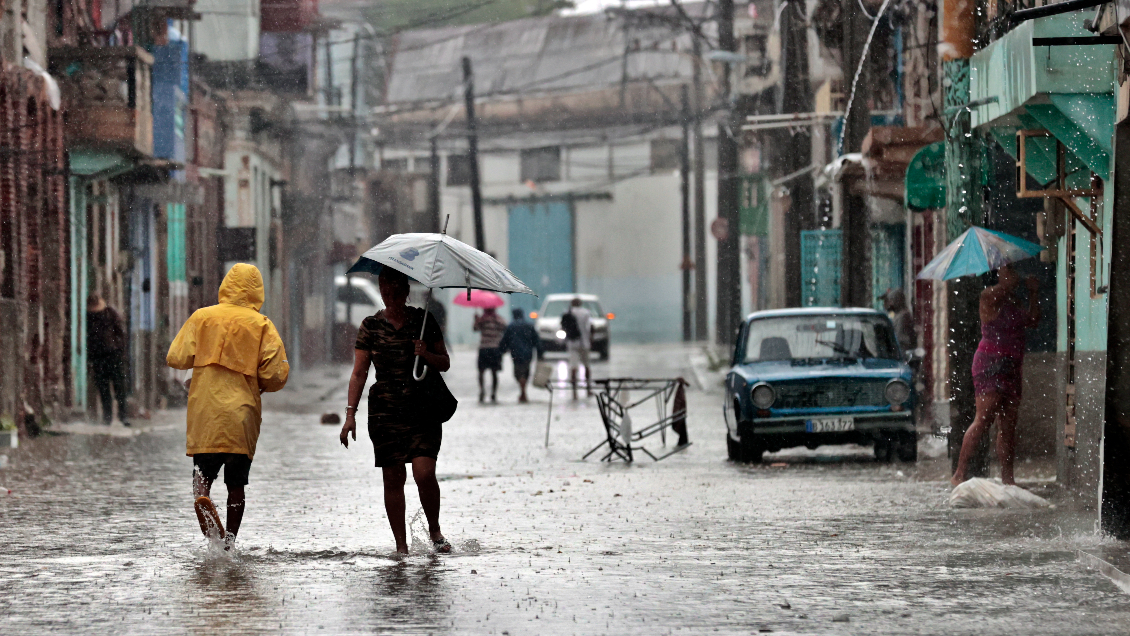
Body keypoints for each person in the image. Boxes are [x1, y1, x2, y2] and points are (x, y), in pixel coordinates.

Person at [166, 264, 290, 545]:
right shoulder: (261, 325)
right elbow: (277, 373)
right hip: (241, 415)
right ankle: (230, 541)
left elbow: (176, 357)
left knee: (202, 473)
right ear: (258, 291)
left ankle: (202, 499)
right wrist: (259, 382)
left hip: (205, 412)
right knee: (237, 484)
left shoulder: (203, 318)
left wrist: (205, 353)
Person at [340, 267, 452, 555]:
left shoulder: (424, 321)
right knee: (393, 478)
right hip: (385, 412)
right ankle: (401, 548)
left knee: (424, 472)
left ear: (406, 290)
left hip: (422, 409)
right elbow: (359, 373)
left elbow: (444, 362)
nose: (390, 296)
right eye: (385, 291)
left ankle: (435, 530)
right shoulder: (370, 326)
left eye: (395, 290)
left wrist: (425, 353)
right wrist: (350, 415)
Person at [951, 264, 1039, 486]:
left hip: (1012, 365)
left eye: (1012, 269)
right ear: (999, 274)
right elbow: (1006, 286)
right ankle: (959, 474)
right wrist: (1012, 280)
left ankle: (1008, 479)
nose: (1012, 274)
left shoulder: (1014, 301)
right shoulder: (989, 295)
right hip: (991, 364)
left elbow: (1033, 321)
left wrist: (1033, 293)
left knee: (1008, 425)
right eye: (1006, 270)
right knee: (983, 419)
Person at [87, 293, 130, 426]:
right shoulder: (89, 317)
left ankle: (122, 416)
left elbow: (121, 333)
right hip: (98, 357)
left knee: (119, 388)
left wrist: (119, 350)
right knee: (103, 389)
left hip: (114, 356)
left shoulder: (110, 313)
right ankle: (108, 417)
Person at [498, 308, 544, 403]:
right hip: (528, 353)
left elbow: (505, 340)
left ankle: (523, 392)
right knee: (526, 372)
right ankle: (523, 391)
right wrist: (540, 353)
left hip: (516, 353)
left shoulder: (511, 326)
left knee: (518, 373)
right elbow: (536, 340)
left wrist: (501, 351)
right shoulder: (529, 326)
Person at [473, 306, 507, 403]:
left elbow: (475, 328)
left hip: (485, 348)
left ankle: (484, 391)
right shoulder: (497, 319)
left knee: (482, 372)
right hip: (494, 348)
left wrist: (477, 320)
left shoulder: (485, 319)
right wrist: (477, 320)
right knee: (493, 372)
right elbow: (504, 327)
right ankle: (492, 393)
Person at [563, 297, 593, 400]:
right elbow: (589, 328)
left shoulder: (567, 312)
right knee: (587, 366)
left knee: (573, 368)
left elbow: (564, 327)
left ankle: (574, 392)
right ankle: (588, 389)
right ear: (580, 303)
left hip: (572, 343)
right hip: (584, 343)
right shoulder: (585, 313)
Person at [881, 288, 916, 353]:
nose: (889, 304)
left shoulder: (903, 316)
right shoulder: (897, 315)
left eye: (891, 301)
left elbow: (900, 339)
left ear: (897, 301)